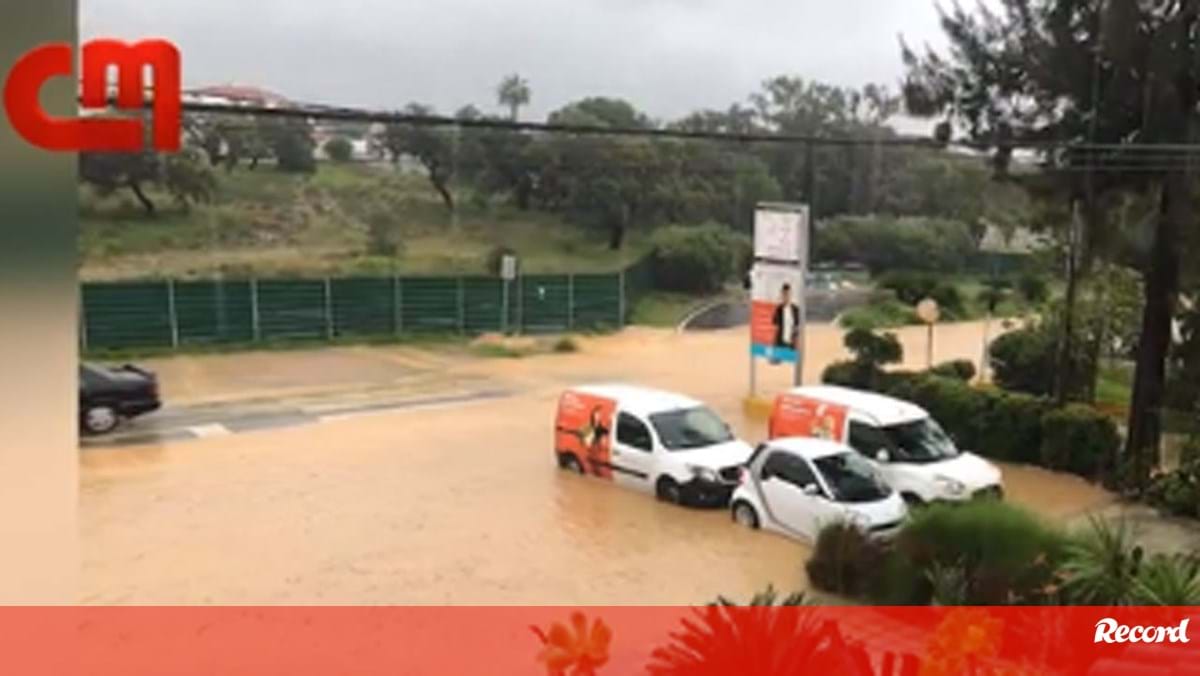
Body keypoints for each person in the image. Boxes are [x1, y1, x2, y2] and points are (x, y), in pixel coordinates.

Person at [771, 283, 800, 362]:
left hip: (792, 344)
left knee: (792, 364)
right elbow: (774, 323)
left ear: (791, 295)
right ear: (781, 295)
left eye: (788, 294)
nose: (786, 296)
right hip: (780, 343)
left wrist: (796, 340)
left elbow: (798, 326)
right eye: (784, 294)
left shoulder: (796, 309)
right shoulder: (778, 309)